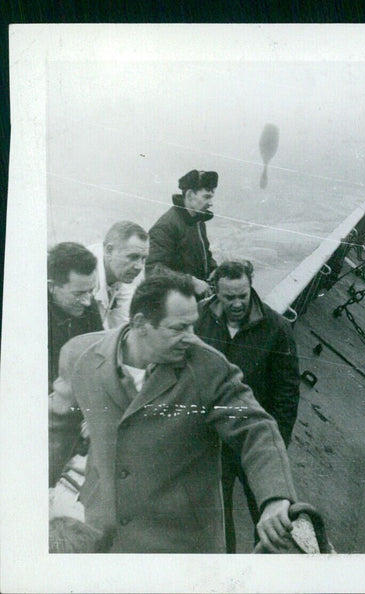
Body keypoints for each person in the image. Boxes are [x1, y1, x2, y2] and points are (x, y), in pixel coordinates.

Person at [49, 272, 298, 553]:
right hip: (104, 530)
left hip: (179, 543)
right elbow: (56, 431)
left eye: (193, 325)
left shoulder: (208, 367)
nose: (191, 338)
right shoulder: (80, 355)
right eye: (179, 328)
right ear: (141, 323)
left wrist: (275, 498)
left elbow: (256, 430)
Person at [196, 259, 300, 553]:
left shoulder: (277, 329)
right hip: (215, 440)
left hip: (253, 439)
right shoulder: (199, 317)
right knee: (218, 515)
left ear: (251, 286)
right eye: (230, 297)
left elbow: (287, 394)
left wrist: (277, 443)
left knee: (268, 512)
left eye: (243, 295)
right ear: (216, 290)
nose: (238, 303)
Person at [146, 169, 218, 297]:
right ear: (190, 195)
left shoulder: (198, 221)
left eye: (211, 197)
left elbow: (204, 255)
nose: (211, 203)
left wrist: (216, 271)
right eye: (206, 197)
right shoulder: (166, 226)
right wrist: (189, 282)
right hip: (174, 304)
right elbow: (153, 269)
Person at [48, 242, 103, 390]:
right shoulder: (32, 319)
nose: (87, 302)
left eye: (90, 291)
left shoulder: (88, 302)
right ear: (51, 286)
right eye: (78, 294)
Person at [88, 221, 149, 329]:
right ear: (109, 251)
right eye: (133, 257)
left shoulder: (122, 275)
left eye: (143, 258)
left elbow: (123, 326)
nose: (139, 267)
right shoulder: (86, 276)